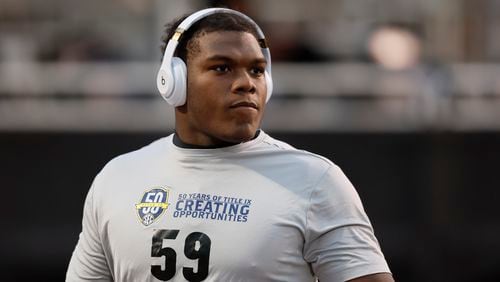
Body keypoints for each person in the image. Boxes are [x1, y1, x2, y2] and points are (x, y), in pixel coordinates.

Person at [66, 7, 393, 282]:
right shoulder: (117, 179)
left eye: (256, 70)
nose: (246, 84)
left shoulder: (315, 181)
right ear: (173, 81)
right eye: (222, 68)